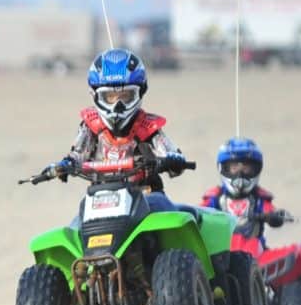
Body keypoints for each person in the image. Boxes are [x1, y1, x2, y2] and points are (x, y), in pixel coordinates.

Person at [36, 48, 190, 212]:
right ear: (94, 94)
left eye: (126, 96)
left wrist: (173, 159)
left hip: (146, 198)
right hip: (100, 200)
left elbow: (169, 153)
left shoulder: (148, 127)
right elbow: (77, 155)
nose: (118, 105)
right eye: (110, 97)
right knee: (75, 227)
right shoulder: (91, 126)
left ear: (141, 92)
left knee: (168, 214)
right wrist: (63, 166)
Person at [201, 137, 291, 241]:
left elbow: (270, 210)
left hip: (255, 251)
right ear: (223, 168)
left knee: (292, 254)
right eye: (234, 168)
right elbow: (199, 210)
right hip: (221, 250)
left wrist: (274, 216)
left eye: (246, 168)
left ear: (256, 169)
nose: (240, 175)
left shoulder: (259, 197)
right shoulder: (215, 196)